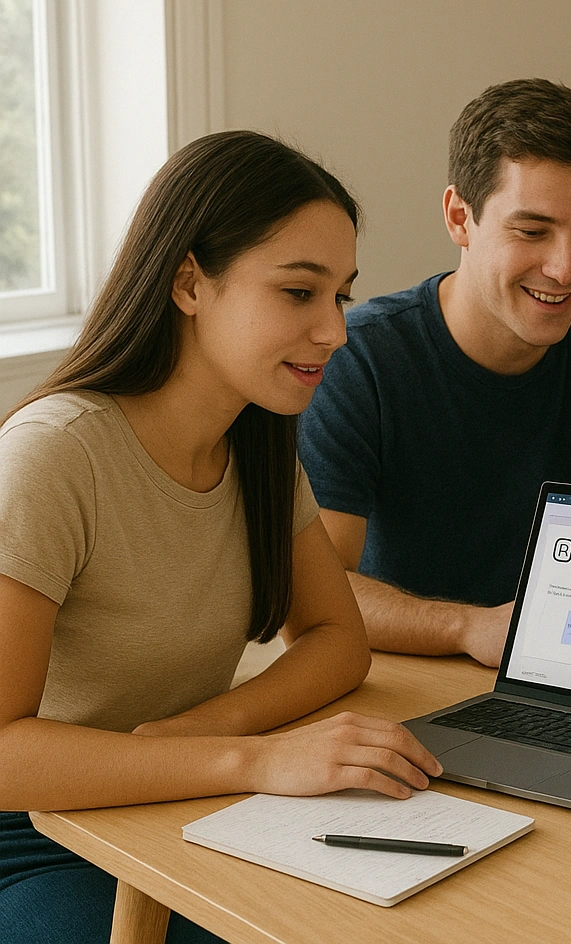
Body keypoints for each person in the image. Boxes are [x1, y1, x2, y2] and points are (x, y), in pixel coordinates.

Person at [0, 131, 442, 944]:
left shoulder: (258, 444)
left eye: (342, 295)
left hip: (182, 799)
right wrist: (253, 760)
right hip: (33, 837)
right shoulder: (53, 456)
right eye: (298, 293)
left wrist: (214, 727)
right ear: (188, 283)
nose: (336, 331)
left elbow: (339, 639)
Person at [298, 79, 571, 669]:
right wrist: (468, 627)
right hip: (407, 676)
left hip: (558, 668)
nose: (566, 268)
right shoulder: (359, 359)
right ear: (459, 218)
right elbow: (318, 601)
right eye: (532, 231)